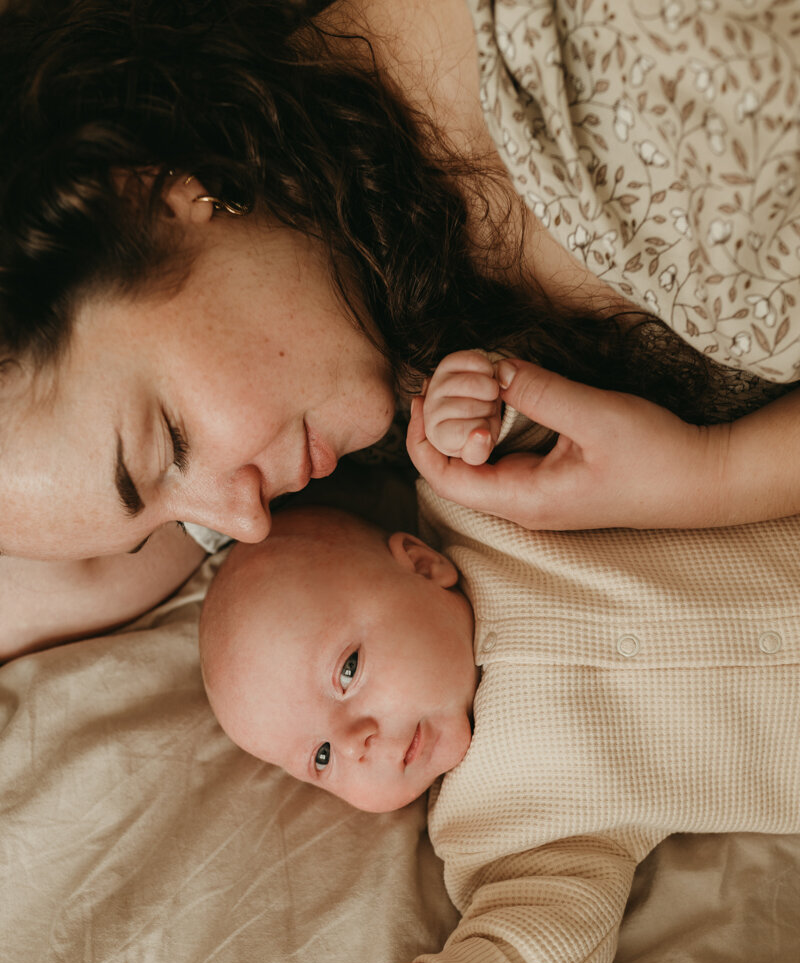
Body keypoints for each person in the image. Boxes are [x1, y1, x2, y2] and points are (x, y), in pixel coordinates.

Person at [1, 0, 799, 663]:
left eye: (171, 442)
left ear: (155, 198)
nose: (246, 526)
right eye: (173, 526)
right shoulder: (358, 283)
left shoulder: (651, 62)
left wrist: (720, 476)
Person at [198, 356, 800, 963]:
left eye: (348, 672)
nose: (356, 743)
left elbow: (566, 439)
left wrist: (476, 421)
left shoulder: (480, 514)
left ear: (423, 565)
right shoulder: (493, 827)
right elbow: (550, 927)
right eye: (321, 759)